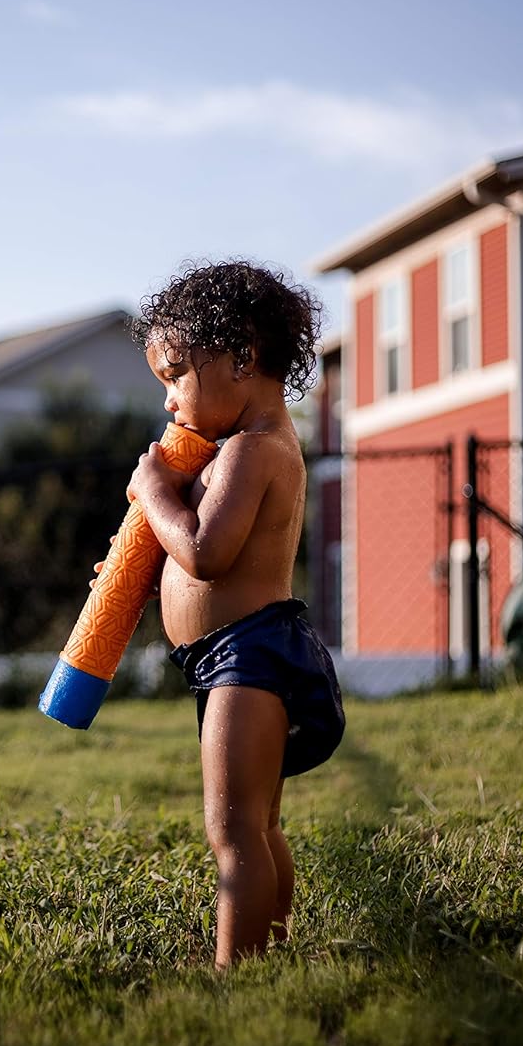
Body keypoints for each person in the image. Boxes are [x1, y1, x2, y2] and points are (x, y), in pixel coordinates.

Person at [126, 259, 345, 968]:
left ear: (242, 358)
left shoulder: (253, 451)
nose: (168, 401)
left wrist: (152, 493)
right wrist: (144, 568)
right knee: (258, 823)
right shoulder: (237, 452)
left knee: (235, 830)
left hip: (249, 656)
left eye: (175, 376)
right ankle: (269, 951)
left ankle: (236, 970)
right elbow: (196, 555)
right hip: (240, 653)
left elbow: (205, 551)